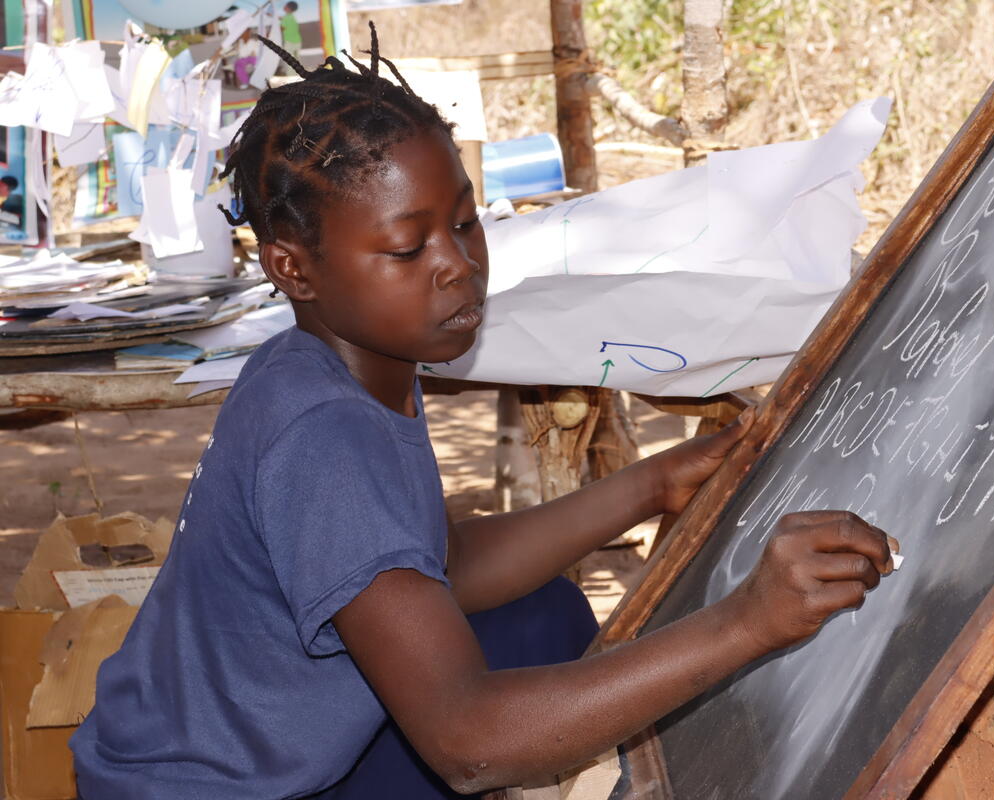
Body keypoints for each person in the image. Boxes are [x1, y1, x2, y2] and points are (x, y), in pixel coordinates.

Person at [70, 25, 896, 800]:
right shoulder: (322, 435)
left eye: (464, 222)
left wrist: (648, 487)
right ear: (295, 269)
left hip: (235, 750)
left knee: (542, 620)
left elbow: (443, 564)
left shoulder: (356, 363)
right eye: (407, 249)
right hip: (198, 787)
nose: (458, 265)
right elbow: (468, 745)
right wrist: (747, 623)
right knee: (513, 692)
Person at [279, 1, 303, 75]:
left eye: (285, 5)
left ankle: (291, 76)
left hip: (289, 42)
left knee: (289, 60)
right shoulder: (292, 17)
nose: (284, 6)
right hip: (298, 41)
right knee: (297, 60)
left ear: (288, 8)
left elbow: (281, 28)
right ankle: (298, 75)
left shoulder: (285, 18)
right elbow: (284, 20)